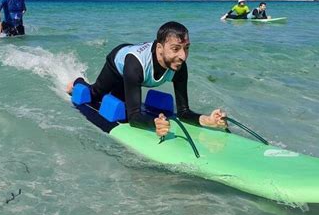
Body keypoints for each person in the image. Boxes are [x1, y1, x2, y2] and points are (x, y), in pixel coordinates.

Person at [66, 21, 228, 137]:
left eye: (186, 48)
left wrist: (208, 120)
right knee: (95, 95)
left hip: (133, 72)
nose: (183, 56)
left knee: (119, 100)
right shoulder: (135, 65)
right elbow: (134, 117)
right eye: (176, 49)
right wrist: (154, 124)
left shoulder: (179, 66)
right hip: (119, 63)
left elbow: (184, 112)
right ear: (159, 48)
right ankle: (77, 83)